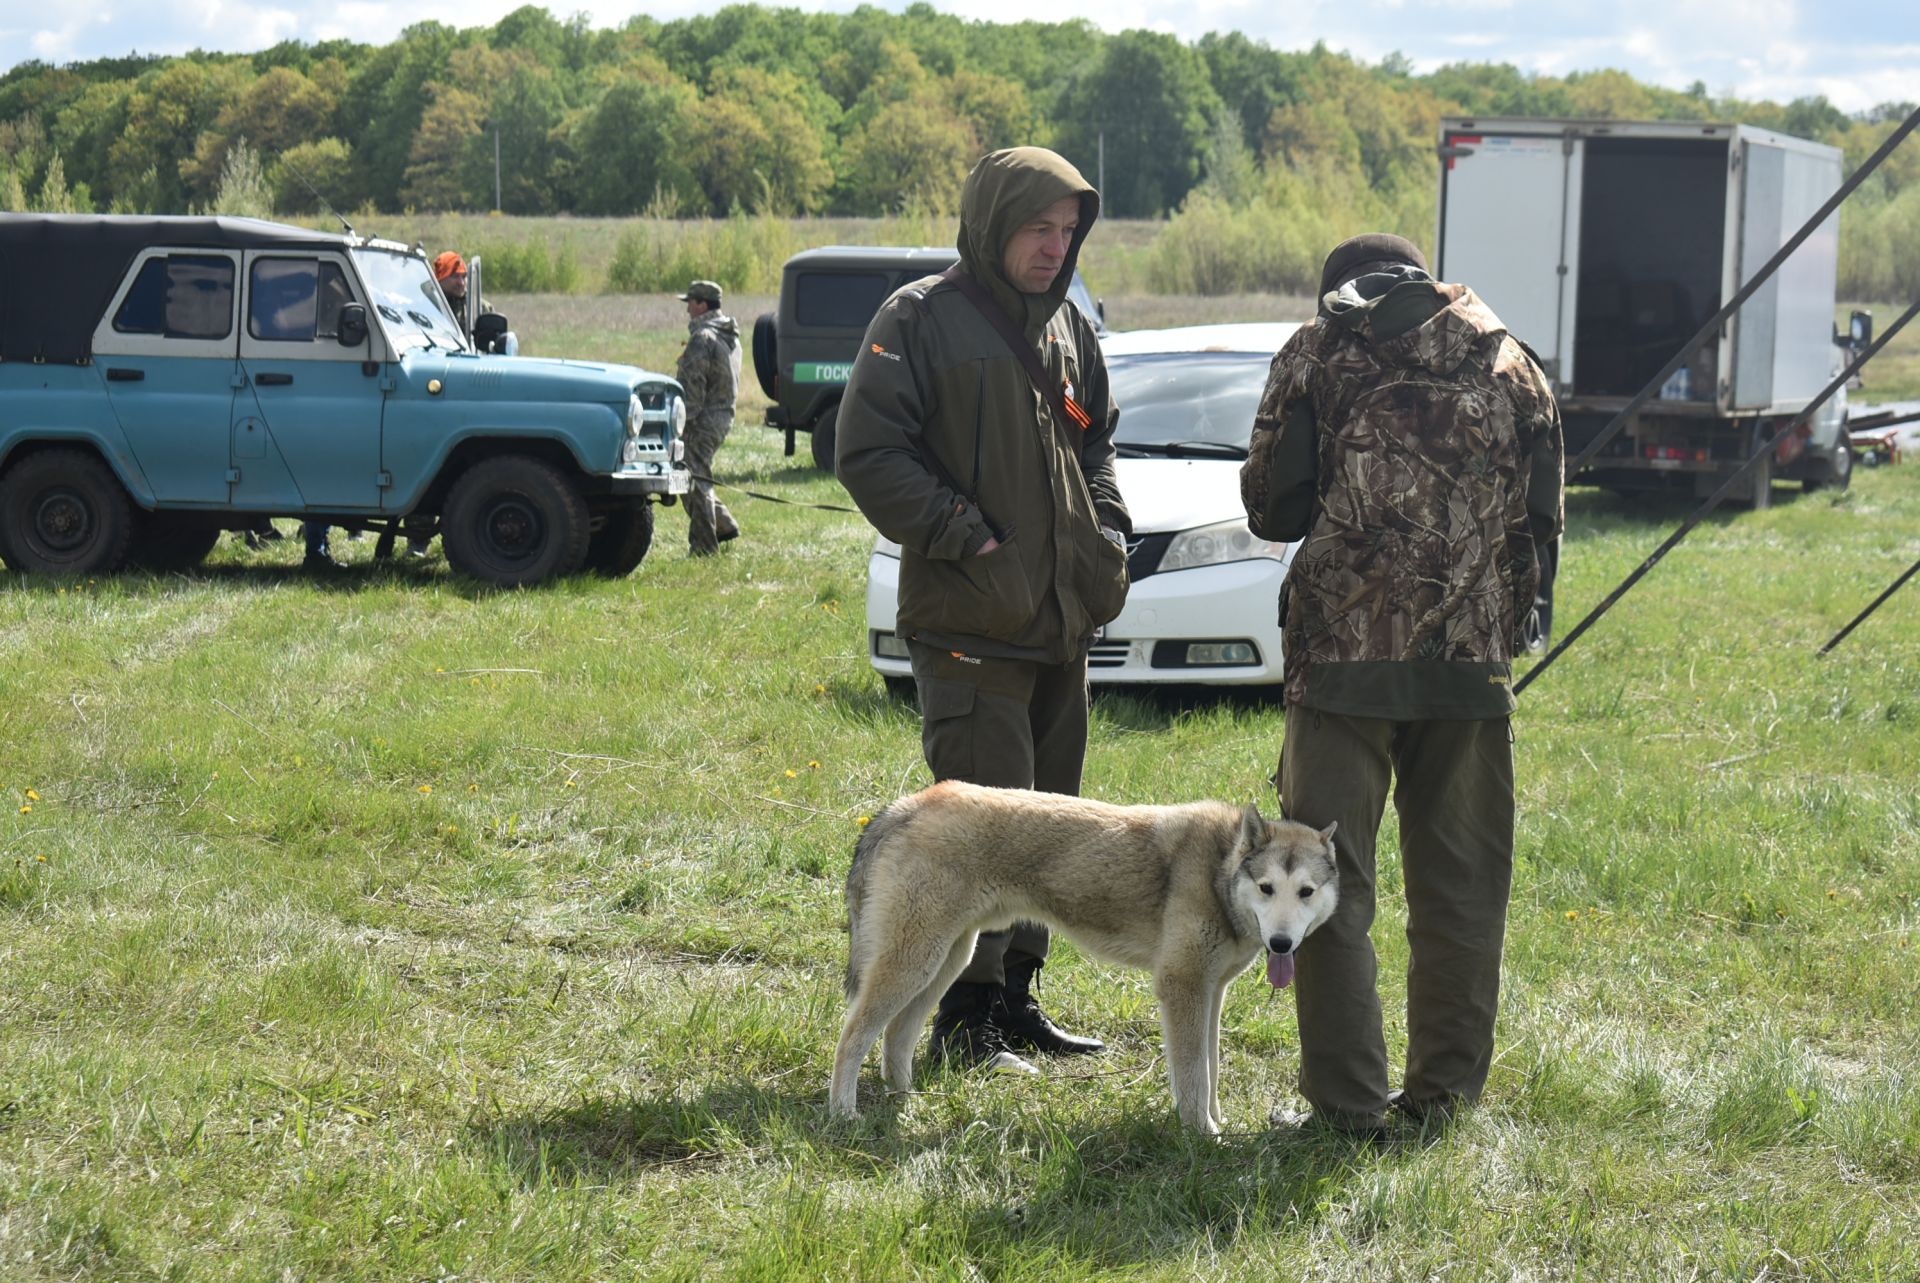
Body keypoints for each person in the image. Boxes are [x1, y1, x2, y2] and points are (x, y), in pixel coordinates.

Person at [1239, 232, 1565, 1137]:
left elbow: (1272, 505)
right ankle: (1443, 1100)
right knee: (1462, 892)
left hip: (1343, 664)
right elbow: (1542, 523)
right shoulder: (1512, 360)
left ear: (1333, 288)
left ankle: (1346, 1106)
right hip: (1471, 668)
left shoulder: (1314, 353)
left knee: (1325, 886)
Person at [836, 147, 1132, 1076]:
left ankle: (1016, 1004)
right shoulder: (918, 319)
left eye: (1067, 230)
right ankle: (964, 1020)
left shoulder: (1071, 329)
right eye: (1037, 229)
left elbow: (1101, 448)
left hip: (1058, 627)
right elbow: (868, 450)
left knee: (1057, 827)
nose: (1054, 247)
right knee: (982, 834)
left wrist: (1108, 533)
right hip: (969, 627)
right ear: (993, 225)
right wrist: (968, 533)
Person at [674, 280, 742, 556]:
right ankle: (723, 524)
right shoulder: (729, 334)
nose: (688, 308)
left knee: (692, 481)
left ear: (702, 304)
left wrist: (684, 425)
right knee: (697, 477)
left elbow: (694, 388)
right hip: (722, 416)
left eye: (690, 302)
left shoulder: (703, 338)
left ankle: (704, 548)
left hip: (702, 420)